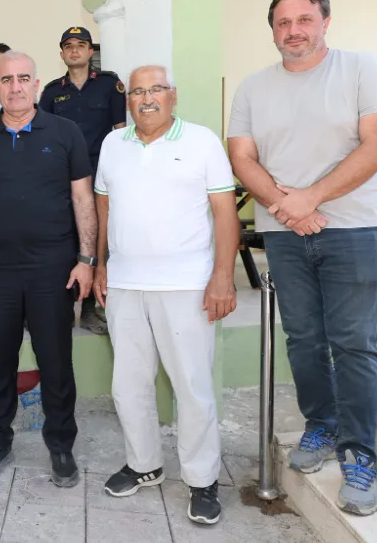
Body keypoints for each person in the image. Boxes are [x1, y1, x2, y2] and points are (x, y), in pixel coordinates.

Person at [227, 0, 377, 516]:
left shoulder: (363, 69)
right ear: (272, 30)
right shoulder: (253, 87)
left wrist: (311, 197)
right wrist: (288, 205)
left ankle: (358, 453)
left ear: (325, 21)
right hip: (284, 232)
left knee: (353, 344)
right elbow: (242, 157)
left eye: (304, 19)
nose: (294, 30)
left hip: (352, 230)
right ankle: (321, 425)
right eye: (283, 22)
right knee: (303, 339)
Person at [93, 65, 237, 525]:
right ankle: (143, 465)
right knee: (128, 384)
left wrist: (223, 277)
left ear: (173, 95)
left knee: (191, 386)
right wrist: (100, 264)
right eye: (138, 91)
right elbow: (103, 207)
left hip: (186, 284)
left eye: (156, 89)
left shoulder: (202, 142)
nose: (147, 98)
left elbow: (225, 213)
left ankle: (202, 479)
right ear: (128, 100)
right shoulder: (112, 144)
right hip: (125, 283)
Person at [0, 51, 96, 488]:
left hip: (52, 269)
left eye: (23, 79)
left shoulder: (66, 132)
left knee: (56, 360)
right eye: (6, 80)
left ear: (36, 85)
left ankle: (61, 444)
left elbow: (83, 198)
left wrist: (86, 260)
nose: (14, 87)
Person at [40, 26, 127, 335]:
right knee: (65, 237)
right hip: (63, 176)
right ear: (62, 53)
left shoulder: (110, 85)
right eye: (68, 46)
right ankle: (64, 306)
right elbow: (43, 136)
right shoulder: (52, 92)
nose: (74, 50)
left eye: (81, 45)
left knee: (98, 237)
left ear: (91, 51)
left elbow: (120, 133)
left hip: (100, 172)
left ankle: (91, 307)